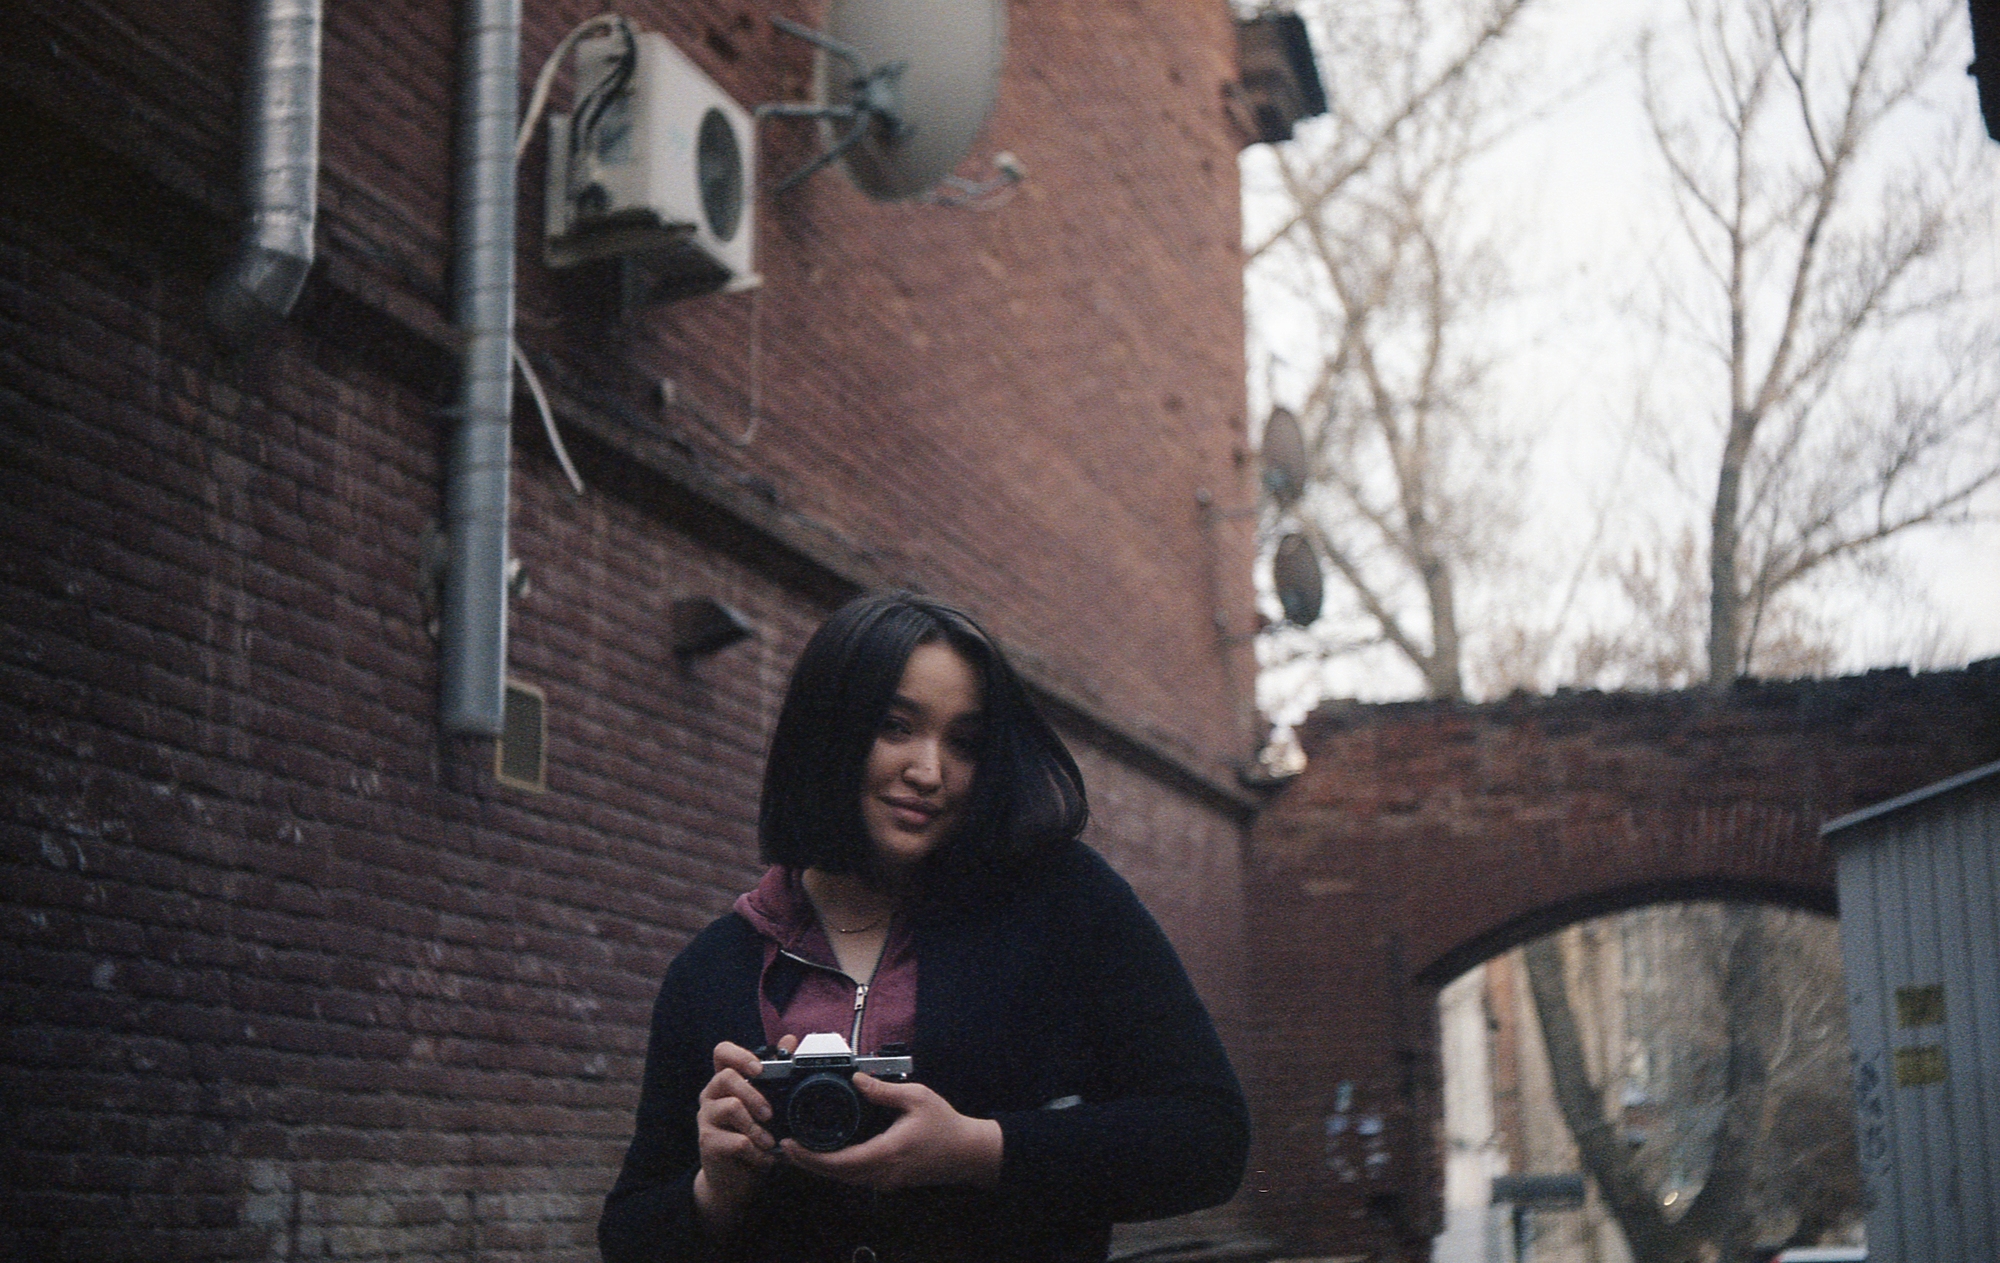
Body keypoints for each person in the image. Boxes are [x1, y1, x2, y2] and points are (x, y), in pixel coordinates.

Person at [598, 592, 1249, 1263]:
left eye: (964, 742)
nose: (930, 772)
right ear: (829, 731)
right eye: (895, 726)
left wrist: (980, 1150)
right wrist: (717, 1189)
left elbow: (1209, 1137)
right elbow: (626, 1237)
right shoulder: (714, 967)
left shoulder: (1062, 904)